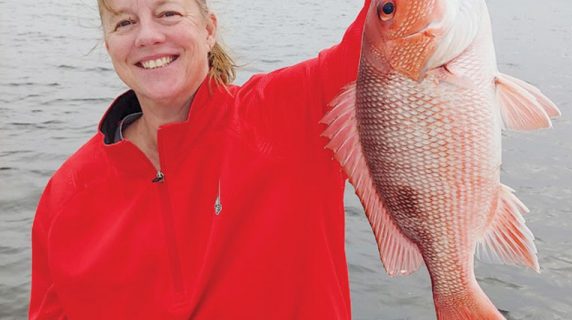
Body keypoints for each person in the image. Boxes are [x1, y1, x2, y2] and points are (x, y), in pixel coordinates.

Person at [29, 0, 371, 318]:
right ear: (109, 46)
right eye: (125, 22)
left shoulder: (297, 110)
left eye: (168, 13)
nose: (147, 36)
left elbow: (394, 27)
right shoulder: (66, 195)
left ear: (208, 30)